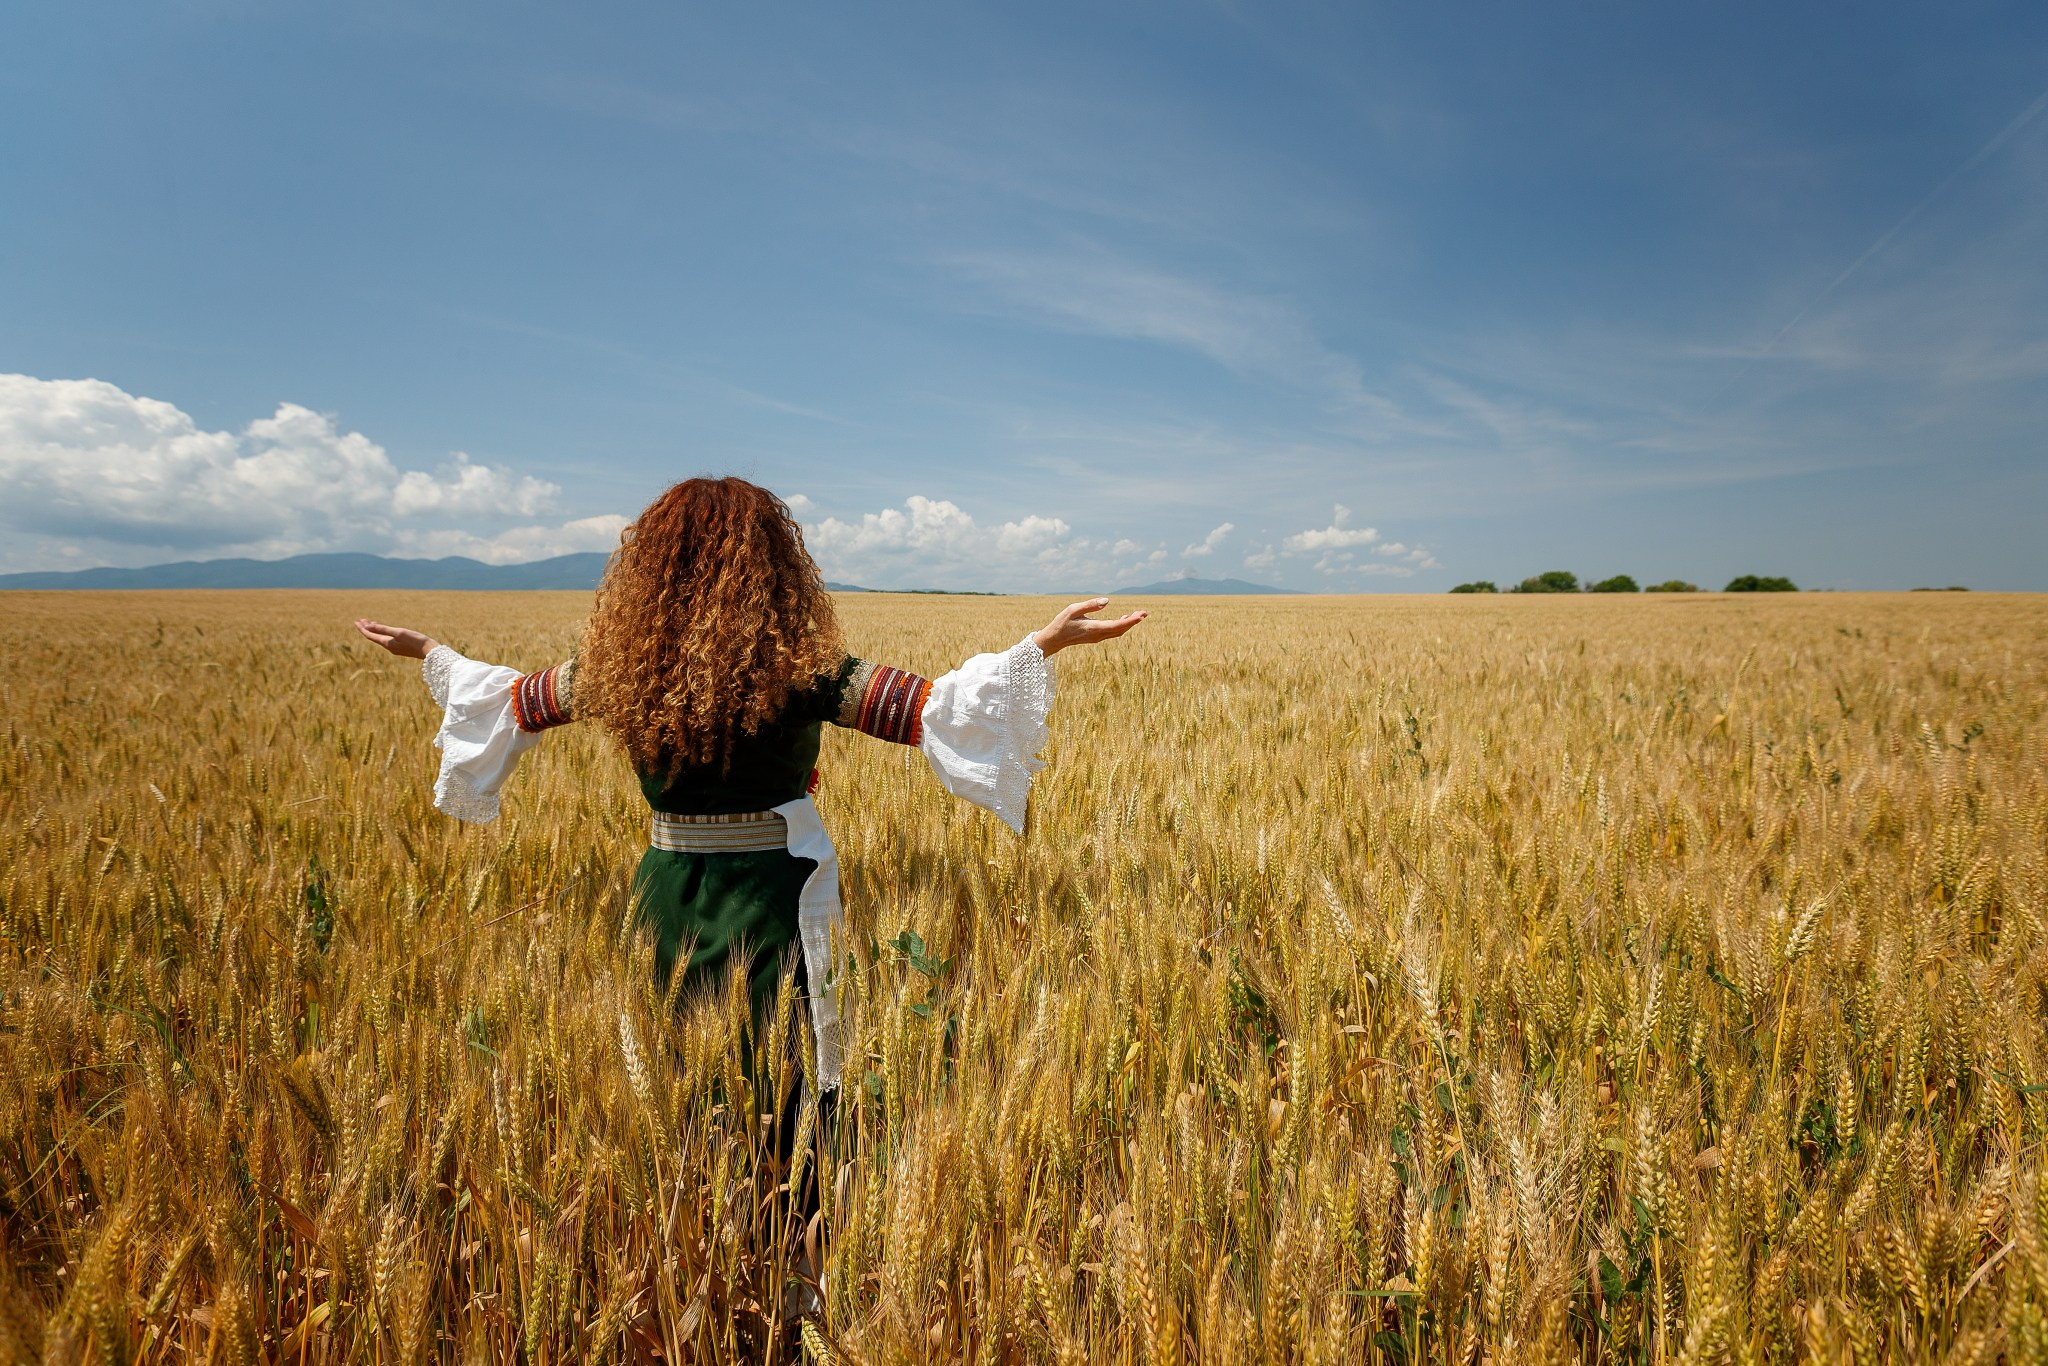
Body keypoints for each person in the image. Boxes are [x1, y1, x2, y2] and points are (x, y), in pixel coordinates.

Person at [352, 476, 1144, 1094]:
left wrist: (433, 655)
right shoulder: (800, 669)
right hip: (774, 895)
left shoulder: (613, 673)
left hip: (663, 892)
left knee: (680, 1077)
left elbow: (512, 704)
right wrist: (1042, 644)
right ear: (773, 566)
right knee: (788, 1078)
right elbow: (933, 711)